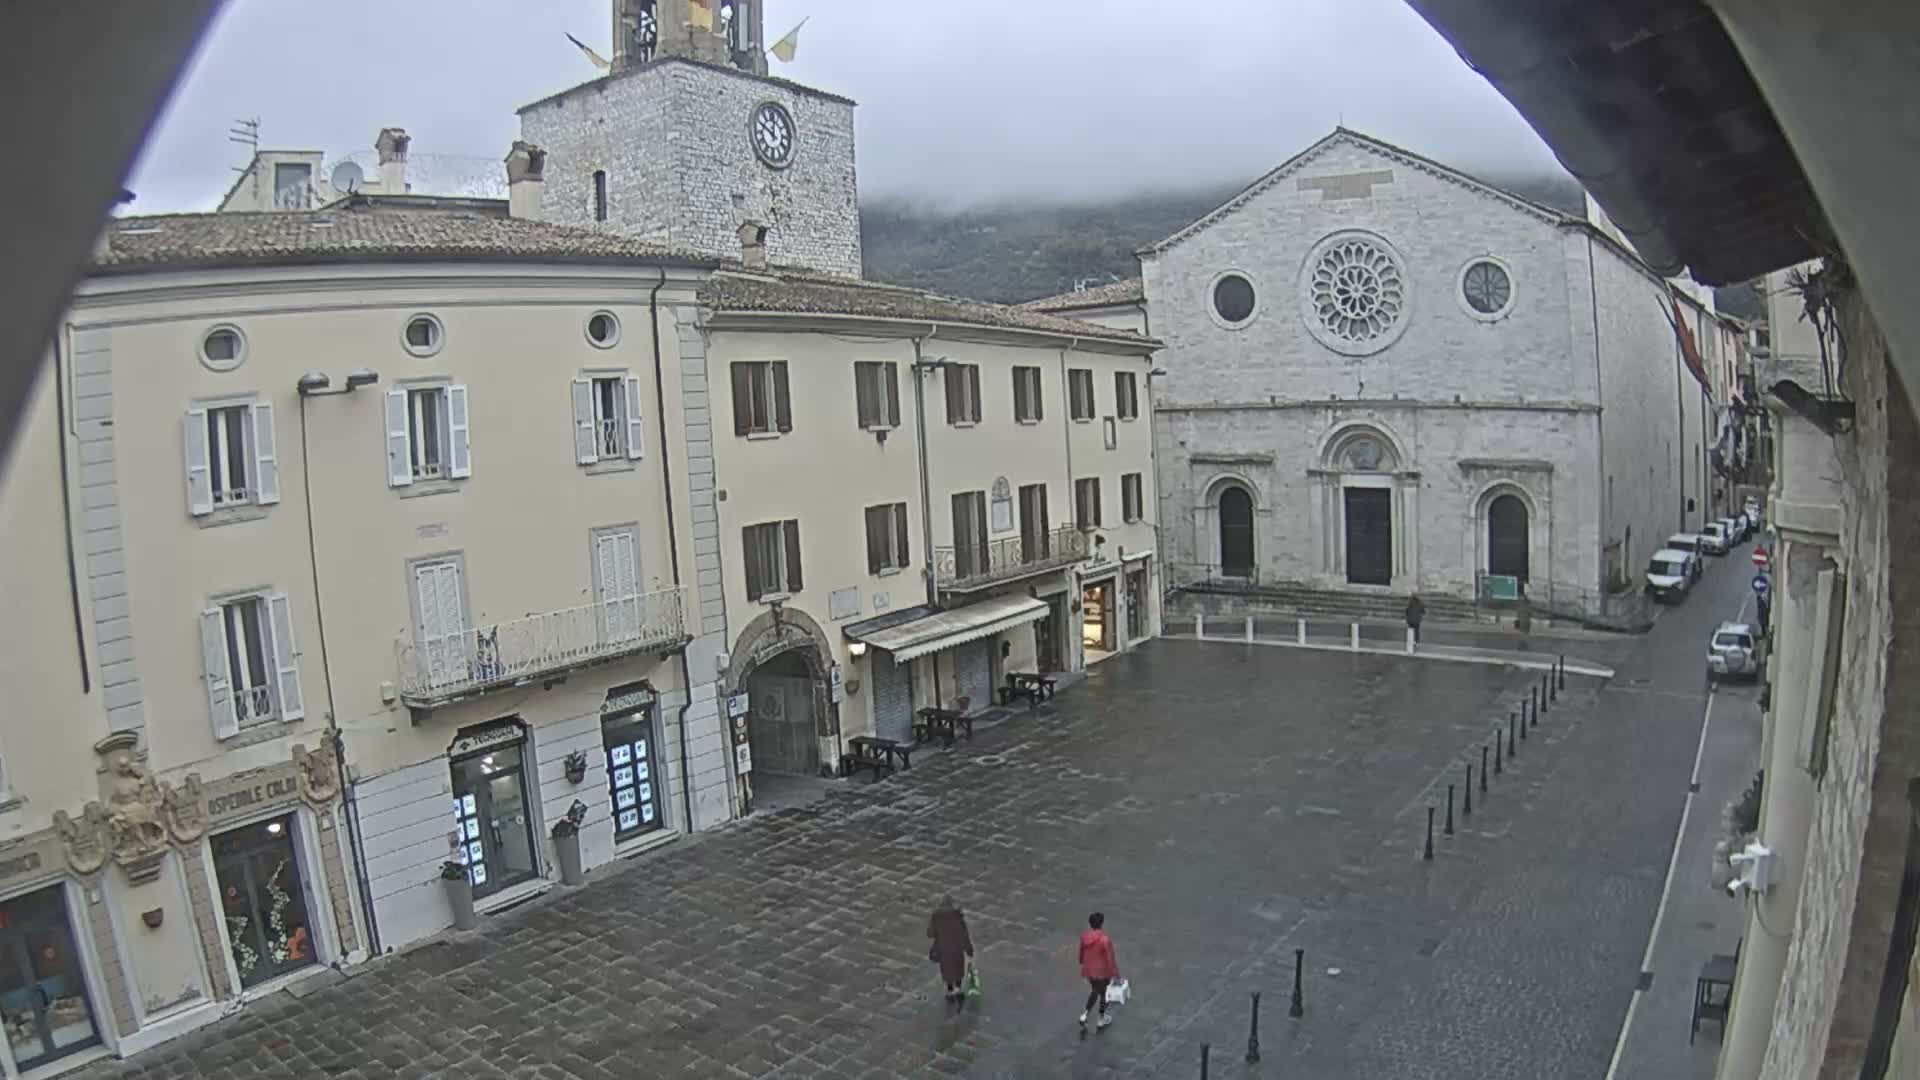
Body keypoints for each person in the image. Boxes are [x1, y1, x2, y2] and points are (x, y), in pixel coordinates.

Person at [926, 896, 974, 1009]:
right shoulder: (958, 916)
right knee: (957, 968)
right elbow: (964, 935)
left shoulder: (936, 917)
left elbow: (930, 933)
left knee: (947, 970)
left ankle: (950, 990)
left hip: (943, 948)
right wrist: (969, 950)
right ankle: (958, 989)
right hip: (957, 949)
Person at [1078, 911, 1119, 1030]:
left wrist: (1082, 961)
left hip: (1089, 970)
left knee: (1095, 990)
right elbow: (1110, 959)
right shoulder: (1104, 940)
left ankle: (1086, 1015)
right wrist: (1115, 974)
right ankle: (1100, 1017)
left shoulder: (1084, 937)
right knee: (1102, 993)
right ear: (1102, 923)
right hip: (1102, 972)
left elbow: (1081, 954)